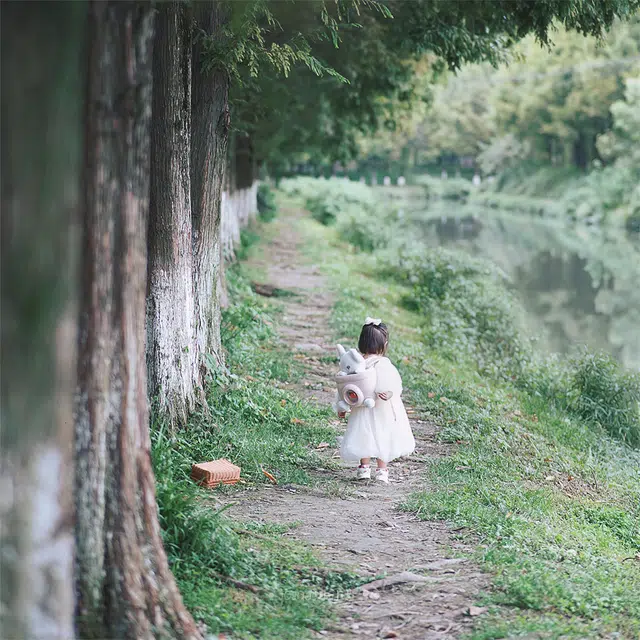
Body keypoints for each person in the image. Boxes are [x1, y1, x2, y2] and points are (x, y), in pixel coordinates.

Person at [336, 318, 415, 483]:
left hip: (361, 409)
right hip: (382, 408)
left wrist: (341, 406)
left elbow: (345, 386)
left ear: (361, 342)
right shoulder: (383, 363)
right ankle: (381, 470)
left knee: (363, 434)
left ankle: (364, 468)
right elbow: (393, 383)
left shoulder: (355, 364)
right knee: (382, 435)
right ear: (384, 344)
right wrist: (390, 393)